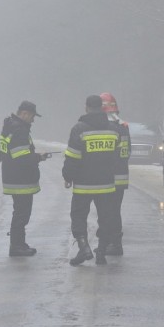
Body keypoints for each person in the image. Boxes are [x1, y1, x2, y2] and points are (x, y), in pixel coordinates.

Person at [62, 95, 120, 266]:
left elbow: (72, 157)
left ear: (86, 107)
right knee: (105, 218)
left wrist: (67, 177)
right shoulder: (112, 130)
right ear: (101, 108)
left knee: (79, 216)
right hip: (106, 184)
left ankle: (83, 247)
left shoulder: (79, 129)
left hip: (83, 185)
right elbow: (116, 157)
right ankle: (101, 252)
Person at [0, 100, 49, 257]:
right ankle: (17, 246)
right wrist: (38, 158)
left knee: (20, 213)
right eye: (32, 117)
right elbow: (21, 157)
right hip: (20, 180)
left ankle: (19, 243)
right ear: (24, 114)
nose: (33, 120)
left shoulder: (10, 127)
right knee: (22, 214)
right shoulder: (19, 130)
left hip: (14, 177)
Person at [99, 92, 130, 256]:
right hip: (121, 177)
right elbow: (127, 152)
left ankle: (114, 244)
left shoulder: (108, 129)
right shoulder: (123, 127)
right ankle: (111, 243)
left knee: (108, 212)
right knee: (114, 210)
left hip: (109, 177)